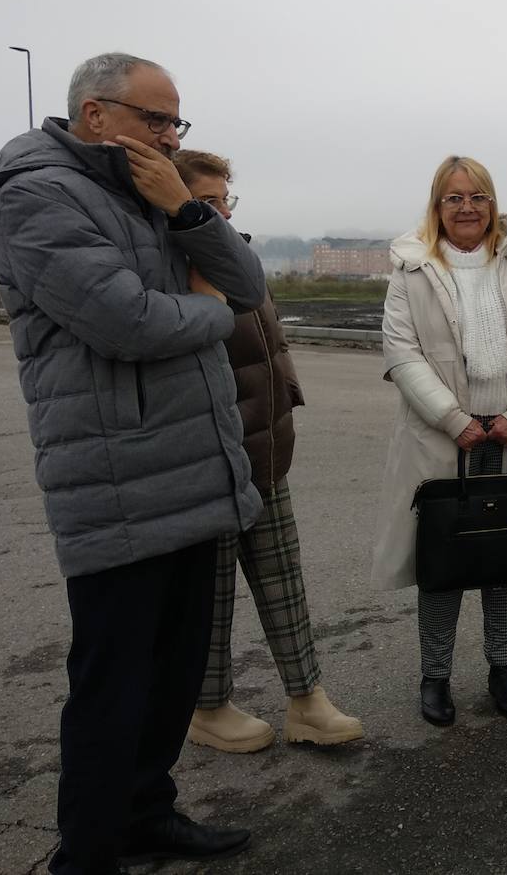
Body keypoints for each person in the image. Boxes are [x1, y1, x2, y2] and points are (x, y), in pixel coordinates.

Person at [0, 53, 263, 874]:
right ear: (95, 116)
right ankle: (89, 854)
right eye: (155, 120)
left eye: (177, 123)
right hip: (118, 480)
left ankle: (145, 812)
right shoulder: (35, 197)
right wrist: (205, 309)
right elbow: (125, 322)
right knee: (112, 686)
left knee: (172, 679)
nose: (169, 136)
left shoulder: (152, 188)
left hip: (197, 469)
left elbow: (249, 287)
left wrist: (186, 210)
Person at [371, 155, 507, 726]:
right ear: (437, 206)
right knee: (443, 559)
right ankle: (434, 676)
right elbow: (402, 352)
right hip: (445, 438)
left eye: (478, 197)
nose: (467, 208)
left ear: (494, 203)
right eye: (454, 198)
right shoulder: (410, 269)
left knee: (505, 555)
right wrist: (452, 419)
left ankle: (501, 667)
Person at [173, 150, 364, 752]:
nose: (222, 212)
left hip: (266, 448)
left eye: (226, 200)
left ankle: (308, 700)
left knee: (284, 580)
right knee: (213, 591)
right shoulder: (170, 263)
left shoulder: (232, 252)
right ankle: (207, 706)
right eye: (207, 202)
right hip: (210, 456)